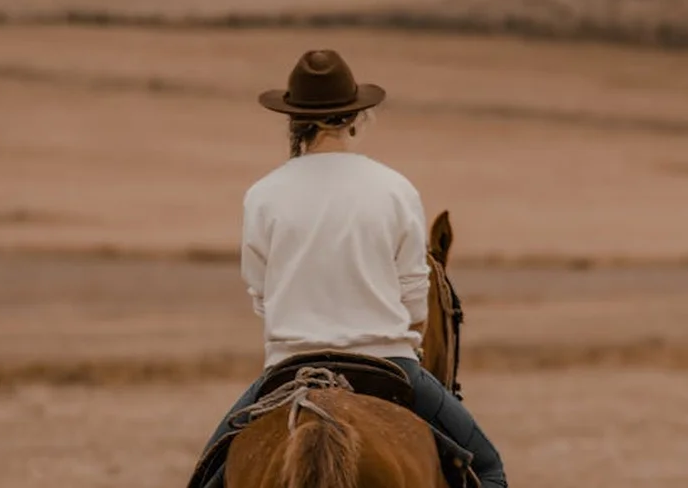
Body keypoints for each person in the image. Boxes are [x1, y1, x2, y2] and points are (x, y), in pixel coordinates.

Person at [197, 49, 507, 488]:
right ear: (356, 117)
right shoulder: (395, 189)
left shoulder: (262, 195)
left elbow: (262, 297)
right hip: (391, 363)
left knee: (203, 476)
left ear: (293, 121)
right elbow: (416, 302)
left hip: (289, 365)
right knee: (490, 470)